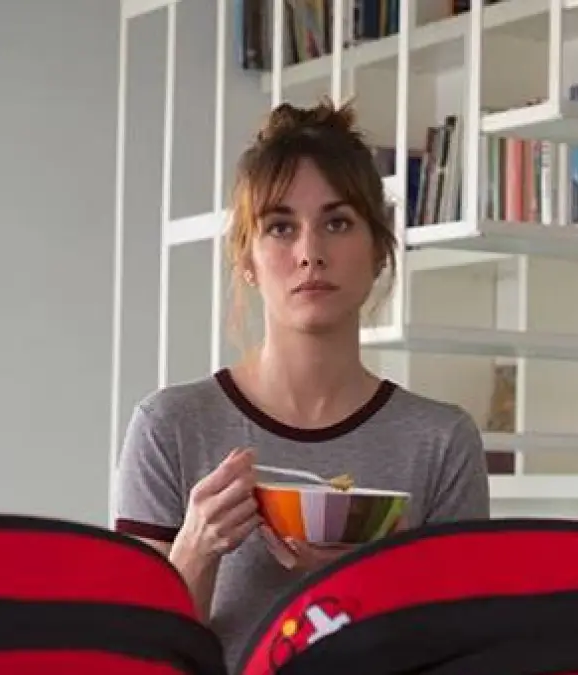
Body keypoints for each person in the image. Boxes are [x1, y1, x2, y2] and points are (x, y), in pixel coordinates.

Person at [112, 98, 491, 670]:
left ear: (378, 249)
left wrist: (375, 579)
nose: (310, 253)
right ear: (247, 259)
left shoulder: (442, 441)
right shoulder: (170, 427)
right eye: (280, 227)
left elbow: (465, 655)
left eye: (337, 223)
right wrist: (197, 549)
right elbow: (131, 658)